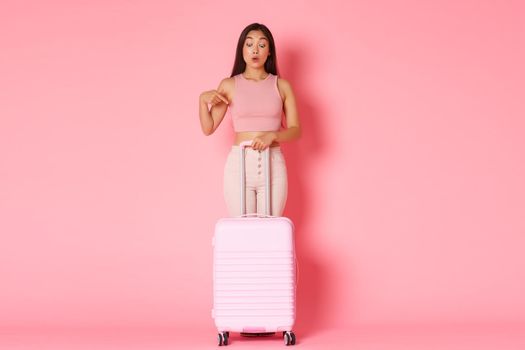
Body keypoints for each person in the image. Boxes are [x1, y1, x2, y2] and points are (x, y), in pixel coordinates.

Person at [199, 23, 301, 217]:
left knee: (270, 229)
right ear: (242, 49)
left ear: (269, 52)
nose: (255, 49)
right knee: (241, 229)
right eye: (249, 44)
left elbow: (296, 129)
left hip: (273, 162)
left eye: (262, 45)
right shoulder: (229, 85)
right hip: (239, 163)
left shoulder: (282, 85)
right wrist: (202, 101)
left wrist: (273, 135)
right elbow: (208, 127)